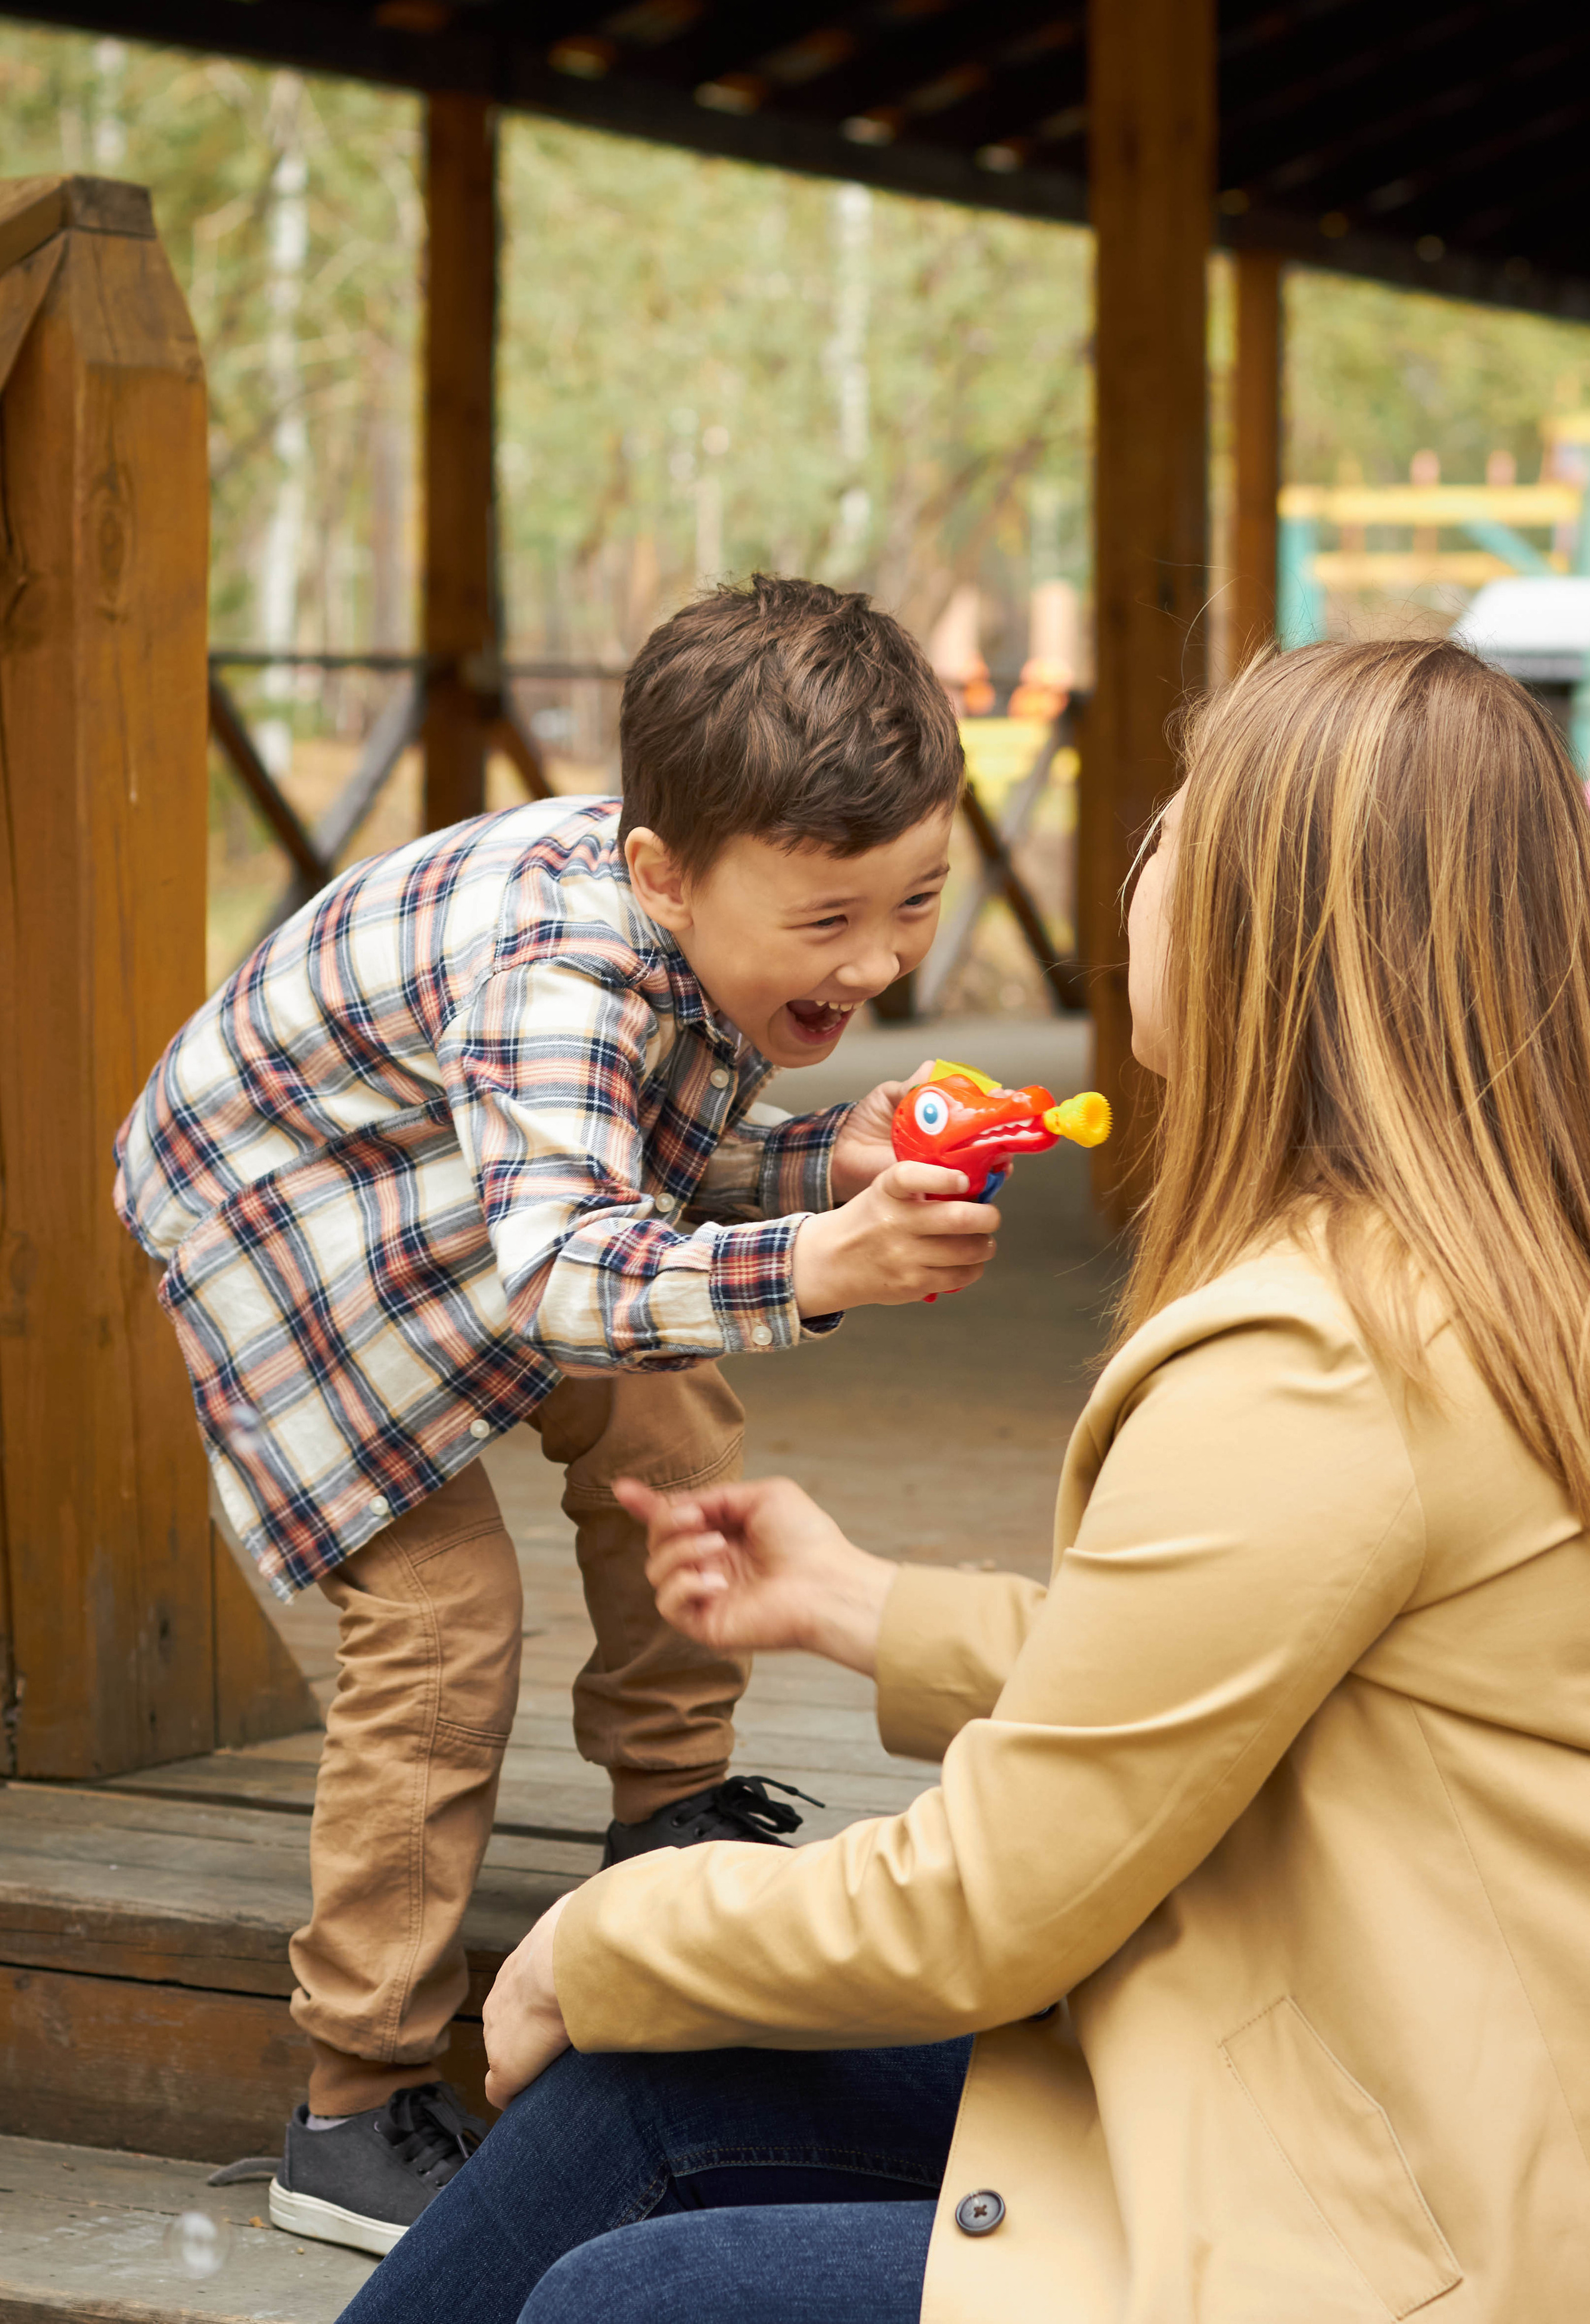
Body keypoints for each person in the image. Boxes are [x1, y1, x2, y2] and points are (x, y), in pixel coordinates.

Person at [340, 638, 1590, 2324]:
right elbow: (1255, 1686)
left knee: (639, 2301)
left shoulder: (1318, 1357)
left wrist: (609, 1931)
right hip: (1358, 2073)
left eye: (1172, 838)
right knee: (652, 2099)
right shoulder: (1471, 1275)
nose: (1138, 876)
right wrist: (867, 1607)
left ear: (1264, 926)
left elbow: (990, 1906)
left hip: (1379, 2217)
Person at [114, 577, 1001, 2256]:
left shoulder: (681, 916)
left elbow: (656, 1163)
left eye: (918, 903)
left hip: (495, 1205)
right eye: (828, 922)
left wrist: (833, 1160)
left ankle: (663, 1814)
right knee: (444, 1621)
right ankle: (353, 2098)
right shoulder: (561, 971)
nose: (882, 960)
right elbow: (574, 1270)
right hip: (296, 1229)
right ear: (666, 876)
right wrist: (821, 1254)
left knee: (670, 1421)